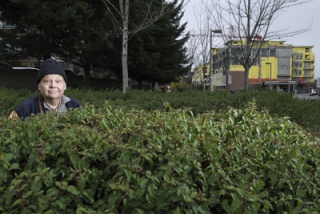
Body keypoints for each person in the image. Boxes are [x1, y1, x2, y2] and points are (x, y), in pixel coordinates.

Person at [9, 58, 81, 120]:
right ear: (39, 86)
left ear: (65, 86)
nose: (53, 85)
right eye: (47, 81)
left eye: (58, 81)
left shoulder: (74, 105)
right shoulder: (25, 109)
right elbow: (7, 131)